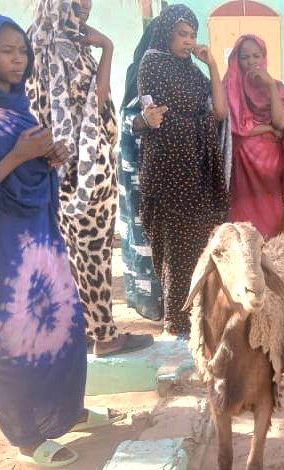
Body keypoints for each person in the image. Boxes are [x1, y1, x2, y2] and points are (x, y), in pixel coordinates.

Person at [0, 15, 124, 468]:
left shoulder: (16, 107)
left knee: (62, 329)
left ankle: (67, 412)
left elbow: (24, 180)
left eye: (22, 51)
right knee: (14, 341)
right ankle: (27, 436)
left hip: (38, 243)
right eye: (7, 50)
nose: (19, 59)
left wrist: (46, 162)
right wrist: (18, 156)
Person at [27, 0, 153, 355]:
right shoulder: (65, 48)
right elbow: (94, 106)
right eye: (78, 2)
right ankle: (105, 336)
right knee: (92, 252)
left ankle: (81, 330)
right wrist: (107, 48)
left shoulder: (35, 42)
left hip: (55, 170)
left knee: (71, 253)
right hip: (85, 167)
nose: (85, 8)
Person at [137, 4, 229, 337]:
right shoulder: (151, 63)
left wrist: (212, 65)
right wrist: (191, 121)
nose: (188, 41)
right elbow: (155, 116)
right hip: (168, 170)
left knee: (199, 246)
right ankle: (176, 324)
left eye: (192, 35)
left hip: (198, 171)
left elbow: (220, 112)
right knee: (174, 250)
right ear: (167, 33)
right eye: (182, 34)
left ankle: (198, 319)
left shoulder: (192, 70)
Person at [224, 34, 284, 239]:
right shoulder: (230, 87)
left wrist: (271, 87)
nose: (251, 62)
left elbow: (280, 123)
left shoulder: (276, 86)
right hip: (242, 166)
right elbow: (235, 127)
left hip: (269, 167)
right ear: (236, 59)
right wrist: (268, 129)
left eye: (256, 56)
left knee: (272, 221)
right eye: (245, 57)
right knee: (244, 227)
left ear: (264, 57)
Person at [117, 17, 166, 321]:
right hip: (138, 166)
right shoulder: (139, 72)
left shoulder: (182, 72)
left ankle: (167, 297)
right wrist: (143, 121)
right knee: (142, 230)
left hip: (166, 169)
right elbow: (127, 117)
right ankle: (148, 300)